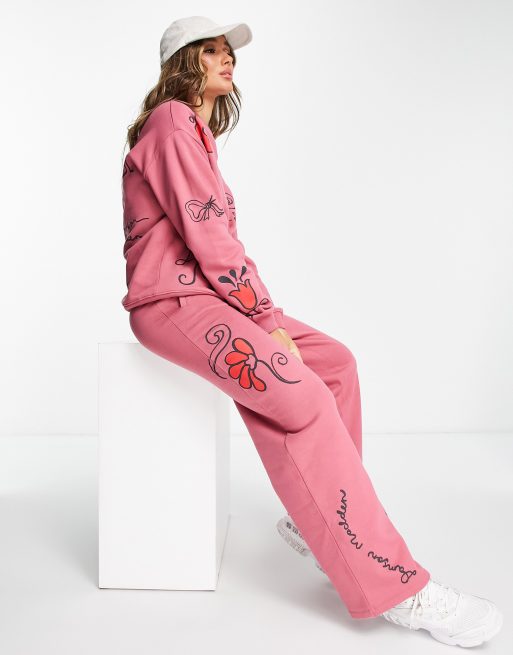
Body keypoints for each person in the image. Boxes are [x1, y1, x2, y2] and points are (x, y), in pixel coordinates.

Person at [120, 15, 503, 647]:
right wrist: (265, 320)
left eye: (228, 51)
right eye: (211, 51)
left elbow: (213, 243)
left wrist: (265, 318)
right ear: (184, 62)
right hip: (172, 304)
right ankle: (393, 584)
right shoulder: (171, 122)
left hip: (205, 297)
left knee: (336, 365)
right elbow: (211, 239)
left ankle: (318, 525)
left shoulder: (193, 133)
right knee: (301, 395)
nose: (227, 59)